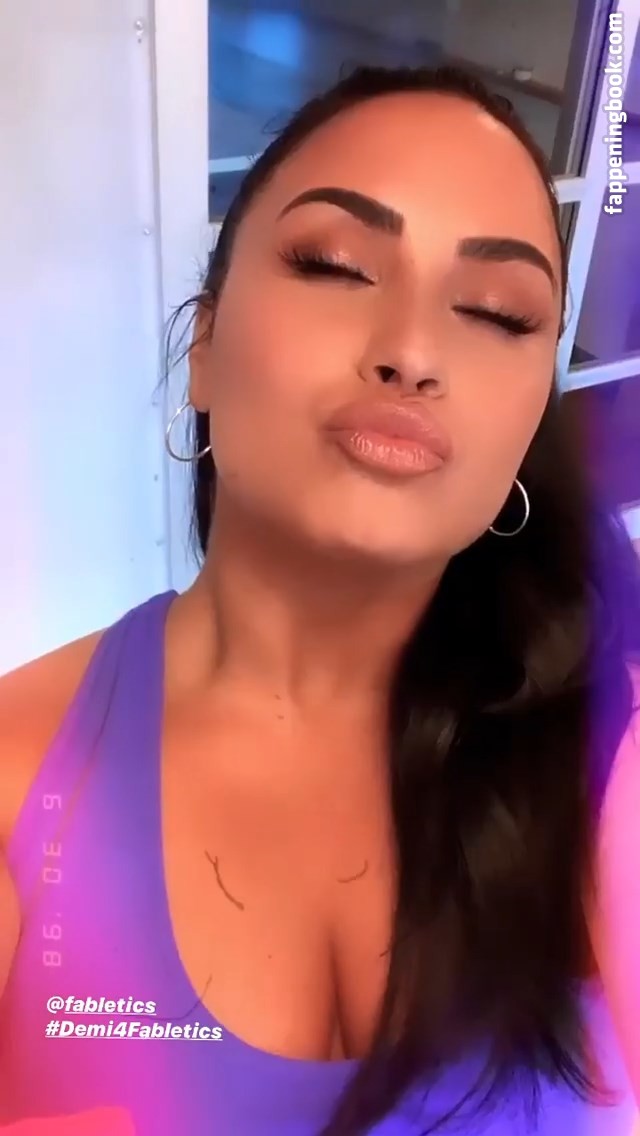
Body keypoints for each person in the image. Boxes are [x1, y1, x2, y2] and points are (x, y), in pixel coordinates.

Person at [0, 63, 639, 1136]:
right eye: (335, 266)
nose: (413, 352)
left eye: (497, 312)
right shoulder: (22, 775)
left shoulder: (608, 750)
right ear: (203, 348)